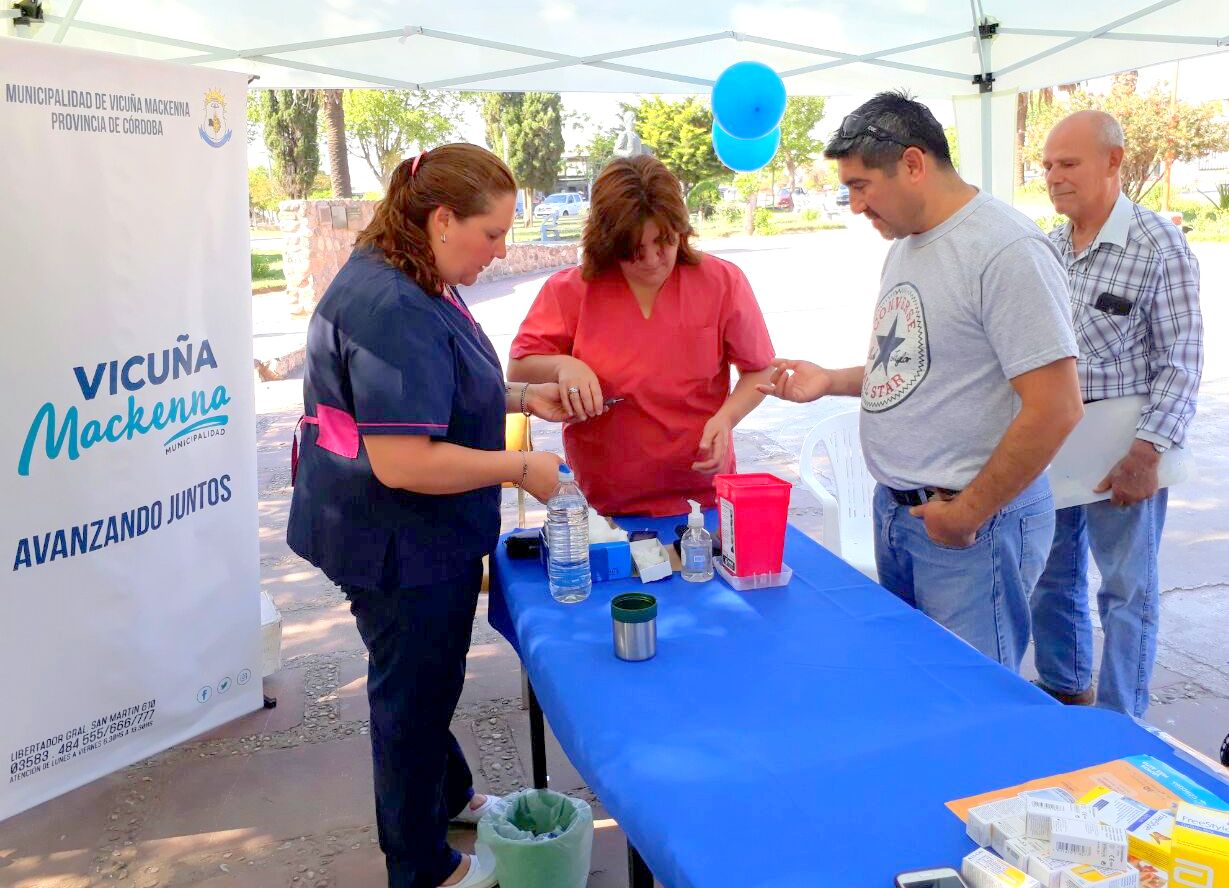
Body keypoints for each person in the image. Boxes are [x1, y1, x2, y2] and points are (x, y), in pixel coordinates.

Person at [287, 143, 574, 888]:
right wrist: (521, 466)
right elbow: (404, 461)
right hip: (394, 540)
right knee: (411, 697)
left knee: (427, 677)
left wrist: (517, 398)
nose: (501, 251)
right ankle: (422, 866)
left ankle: (449, 796)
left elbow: (442, 390)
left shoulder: (418, 277)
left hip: (409, 533)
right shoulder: (390, 305)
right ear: (441, 219)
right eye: (491, 234)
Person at [759, 92, 1084, 670]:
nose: (855, 205)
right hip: (904, 514)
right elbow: (917, 368)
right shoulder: (908, 245)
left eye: (861, 186)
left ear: (913, 164)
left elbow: (1056, 407)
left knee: (972, 703)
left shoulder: (1006, 249)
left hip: (969, 526)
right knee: (918, 685)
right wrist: (829, 380)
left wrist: (967, 514)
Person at [1030, 111, 1203, 717]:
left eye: (1068, 163)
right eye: (1047, 165)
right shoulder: (1047, 248)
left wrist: (1146, 453)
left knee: (1127, 592)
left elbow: (1181, 358)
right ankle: (1066, 690)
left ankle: (1121, 719)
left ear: (1113, 161)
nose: (1054, 176)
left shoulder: (1158, 245)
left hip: (1126, 454)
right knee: (1051, 580)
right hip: (1055, 446)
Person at [507, 154, 776, 516]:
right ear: (607, 242)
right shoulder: (570, 290)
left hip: (703, 500)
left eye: (664, 242)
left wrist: (726, 418)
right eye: (633, 251)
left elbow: (761, 370)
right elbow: (519, 369)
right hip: (605, 505)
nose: (651, 260)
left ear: (681, 229)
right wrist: (563, 366)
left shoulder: (722, 282)